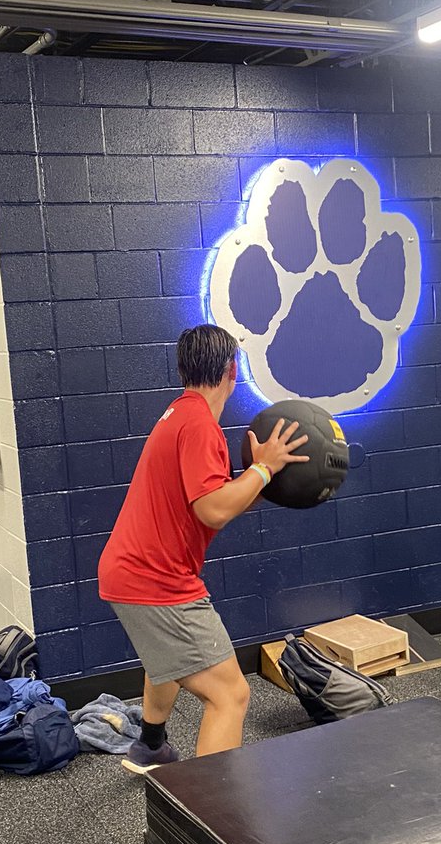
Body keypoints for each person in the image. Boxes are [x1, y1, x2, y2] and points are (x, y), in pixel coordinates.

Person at [98, 324, 308, 774]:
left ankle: (151, 746)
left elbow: (213, 504)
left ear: (184, 369)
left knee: (167, 656)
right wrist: (264, 471)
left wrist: (261, 480)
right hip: (155, 580)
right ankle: (208, 819)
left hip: (130, 571)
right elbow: (213, 510)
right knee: (230, 694)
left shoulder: (179, 413)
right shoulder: (200, 427)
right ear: (233, 370)